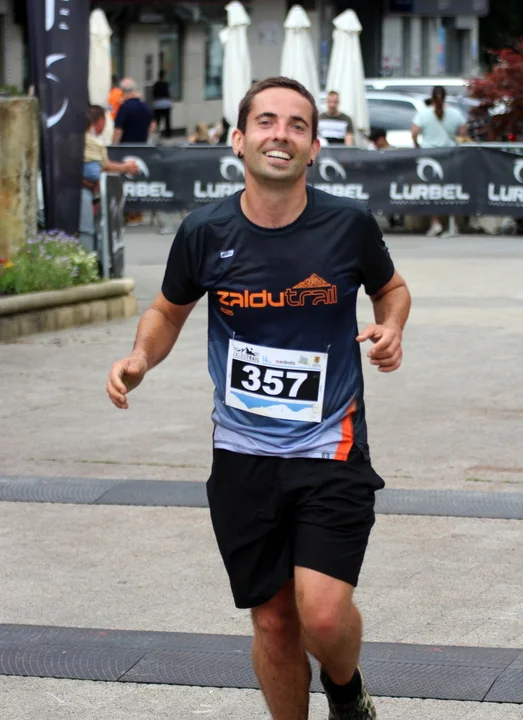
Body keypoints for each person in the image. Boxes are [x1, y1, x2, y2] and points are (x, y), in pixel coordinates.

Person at [106, 76, 411, 720]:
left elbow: (391, 288)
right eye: (267, 121)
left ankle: (345, 689)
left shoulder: (347, 225)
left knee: (321, 617)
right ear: (239, 140)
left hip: (330, 446)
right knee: (273, 621)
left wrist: (391, 327)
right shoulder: (205, 230)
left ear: (314, 146)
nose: (281, 134)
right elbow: (166, 311)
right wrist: (140, 358)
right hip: (242, 454)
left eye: (297, 125)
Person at [411, 85, 468, 236]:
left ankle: (435, 222)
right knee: (450, 189)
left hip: (430, 155)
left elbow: (414, 133)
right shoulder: (455, 113)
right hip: (450, 154)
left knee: (432, 190)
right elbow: (463, 132)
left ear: (431, 97)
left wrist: (417, 145)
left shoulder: (424, 114)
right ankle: (453, 223)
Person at [83, 105, 138, 192]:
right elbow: (105, 166)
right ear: (101, 120)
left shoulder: (89, 138)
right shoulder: (91, 140)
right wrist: (126, 167)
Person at [113, 78, 155, 144]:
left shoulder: (124, 108)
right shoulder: (146, 107)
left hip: (126, 146)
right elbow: (152, 126)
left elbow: (118, 130)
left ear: (123, 92)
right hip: (142, 146)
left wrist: (114, 145)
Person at [152, 70, 172, 138]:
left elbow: (153, 94)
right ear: (164, 76)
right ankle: (168, 134)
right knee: (167, 120)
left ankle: (156, 133)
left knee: (157, 120)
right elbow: (169, 93)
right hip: (166, 103)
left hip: (157, 104)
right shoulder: (166, 84)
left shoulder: (156, 84)